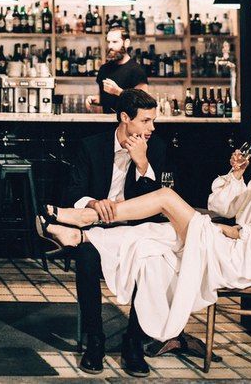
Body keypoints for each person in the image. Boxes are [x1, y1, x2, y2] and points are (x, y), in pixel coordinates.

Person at [37, 117, 251, 362]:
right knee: (154, 239)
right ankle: (81, 234)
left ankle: (85, 218)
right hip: (232, 245)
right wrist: (236, 174)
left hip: (244, 258)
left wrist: (225, 231)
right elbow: (224, 208)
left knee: (165, 197)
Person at [46, 89, 166, 377]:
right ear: (125, 118)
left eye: (153, 121)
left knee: (152, 261)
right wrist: (92, 202)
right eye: (146, 121)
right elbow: (72, 190)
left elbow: (158, 203)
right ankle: (95, 340)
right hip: (95, 226)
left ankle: (133, 343)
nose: (152, 128)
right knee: (87, 259)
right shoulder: (92, 146)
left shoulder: (156, 148)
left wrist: (142, 164)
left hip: (135, 230)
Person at [86, 26, 148, 113]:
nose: (110, 46)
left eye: (115, 42)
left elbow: (145, 102)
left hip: (128, 124)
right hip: (106, 124)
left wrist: (119, 92)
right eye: (109, 42)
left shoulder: (136, 70)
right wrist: (95, 99)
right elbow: (107, 99)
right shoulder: (104, 69)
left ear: (126, 43)